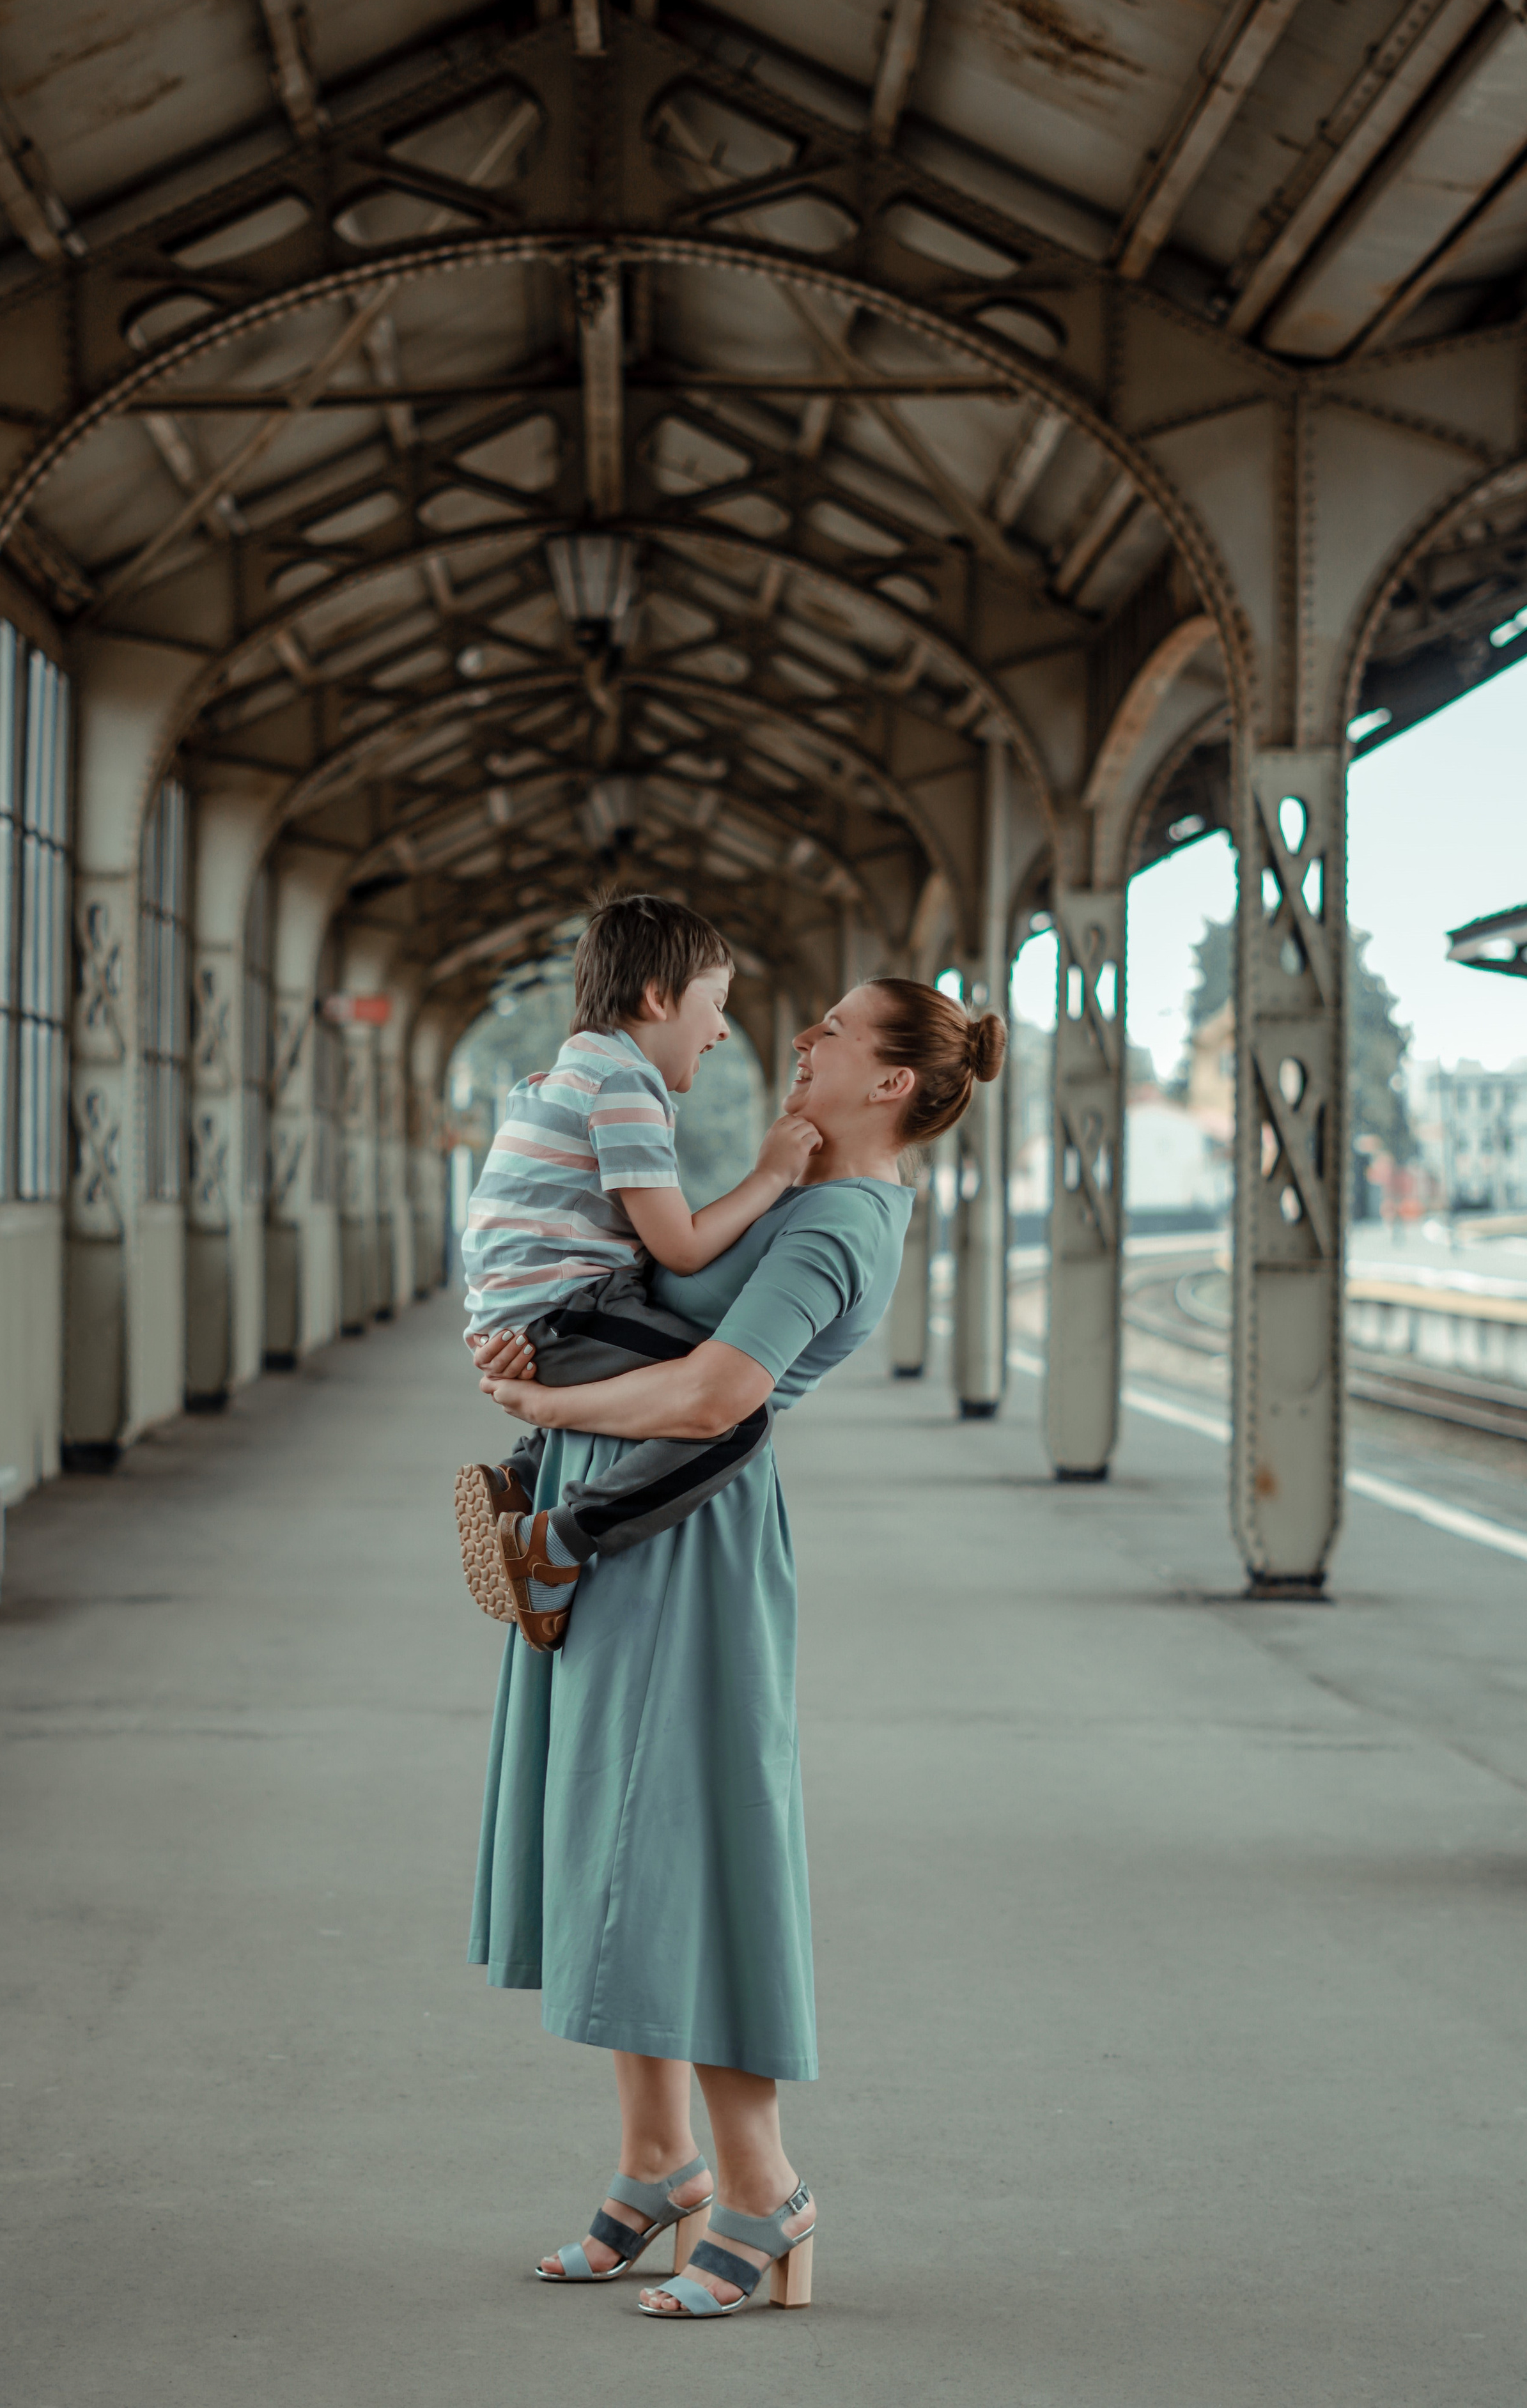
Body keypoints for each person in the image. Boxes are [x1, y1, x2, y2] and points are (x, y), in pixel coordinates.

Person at [468, 976, 1007, 2317]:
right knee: (613, 1840)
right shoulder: (802, 1194)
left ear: (888, 1082)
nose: (802, 1039)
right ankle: (657, 2163)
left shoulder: (835, 1219)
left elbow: (721, 1393)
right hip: (628, 1521)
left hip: (679, 1545)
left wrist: (541, 1390)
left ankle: (761, 2189)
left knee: (681, 1849)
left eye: (831, 1028)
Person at [454, 894, 823, 1651]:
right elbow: (679, 1248)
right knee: (728, 1412)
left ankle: (522, 1478)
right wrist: (771, 1175)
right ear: (657, 997)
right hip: (567, 1309)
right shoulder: (623, 1086)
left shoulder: (558, 1078)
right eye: (715, 1003)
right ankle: (557, 1546)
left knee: (687, 1363)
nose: (722, 1028)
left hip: (532, 1310)